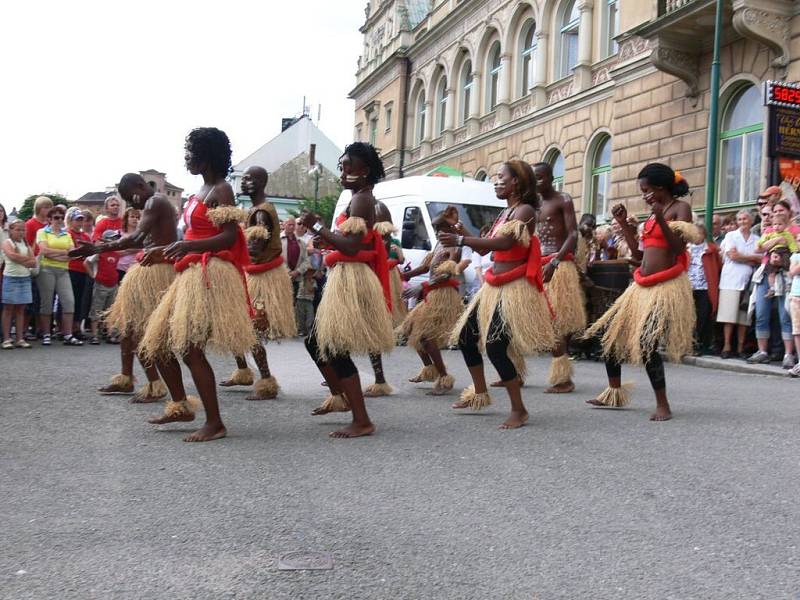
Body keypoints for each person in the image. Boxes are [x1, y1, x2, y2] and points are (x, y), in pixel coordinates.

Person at [139, 127, 256, 442]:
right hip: (189, 272)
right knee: (157, 343)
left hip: (209, 275)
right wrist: (161, 252)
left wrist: (188, 249)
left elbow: (231, 235)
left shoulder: (221, 190)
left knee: (190, 349)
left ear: (206, 156)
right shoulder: (197, 193)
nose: (186, 159)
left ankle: (215, 423)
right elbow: (189, 239)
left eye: (190, 153)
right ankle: (180, 405)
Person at [441, 160, 556, 429]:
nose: (496, 181)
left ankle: (519, 409)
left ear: (516, 181)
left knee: (494, 345)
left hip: (513, 289)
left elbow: (505, 243)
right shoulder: (506, 213)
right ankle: (480, 393)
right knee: (466, 336)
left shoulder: (525, 211)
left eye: (501, 177)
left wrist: (461, 241)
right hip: (494, 286)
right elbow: (486, 250)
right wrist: (460, 229)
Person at [585, 163, 699, 421]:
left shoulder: (681, 208)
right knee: (611, 334)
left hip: (665, 287)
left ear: (660, 187)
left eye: (646, 190)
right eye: (642, 191)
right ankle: (613, 392)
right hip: (641, 285)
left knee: (647, 342)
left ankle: (663, 404)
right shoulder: (652, 215)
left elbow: (678, 249)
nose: (644, 195)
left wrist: (660, 218)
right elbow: (638, 253)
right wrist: (623, 223)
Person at [298, 142, 395, 438]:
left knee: (334, 348)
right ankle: (341, 398)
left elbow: (352, 247)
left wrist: (318, 228)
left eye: (347, 167)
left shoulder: (363, 200)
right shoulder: (357, 198)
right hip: (346, 276)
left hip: (352, 279)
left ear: (364, 171)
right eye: (341, 167)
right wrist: (328, 237)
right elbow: (353, 242)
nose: (342, 172)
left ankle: (361, 419)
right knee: (316, 343)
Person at [69, 174, 181, 403]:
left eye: (131, 197)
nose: (132, 204)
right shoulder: (155, 204)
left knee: (141, 332)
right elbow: (143, 241)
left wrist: (98, 248)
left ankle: (156, 386)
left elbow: (137, 237)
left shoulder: (155, 201)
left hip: (156, 272)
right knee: (129, 330)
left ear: (140, 186)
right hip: (150, 269)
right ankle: (127, 378)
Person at [219, 165, 297, 400]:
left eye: (249, 179)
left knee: (251, 330)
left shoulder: (261, 212)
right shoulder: (254, 209)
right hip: (252, 274)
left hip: (263, 277)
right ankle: (243, 371)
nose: (244, 182)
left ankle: (266, 382)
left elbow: (255, 248)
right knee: (235, 325)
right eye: (242, 179)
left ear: (262, 183)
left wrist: (227, 246)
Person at [532, 162, 586, 393]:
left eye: (541, 178)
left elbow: (573, 234)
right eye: (534, 178)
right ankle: (513, 372)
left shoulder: (563, 199)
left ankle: (564, 379)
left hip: (559, 266)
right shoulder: (533, 205)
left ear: (551, 178)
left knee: (556, 322)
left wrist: (555, 261)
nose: (537, 182)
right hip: (540, 264)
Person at [398, 207, 465, 395]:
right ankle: (430, 369)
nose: (437, 233)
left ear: (449, 228)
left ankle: (444, 378)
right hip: (432, 293)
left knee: (427, 336)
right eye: (435, 229)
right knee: (411, 329)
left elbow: (447, 273)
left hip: (444, 296)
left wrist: (422, 286)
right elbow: (426, 267)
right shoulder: (438, 245)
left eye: (440, 229)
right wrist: (405, 275)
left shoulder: (455, 247)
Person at [748, 200, 797, 367]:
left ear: (789, 212)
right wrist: (776, 242)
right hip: (766, 272)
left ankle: (788, 354)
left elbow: (795, 248)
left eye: (780, 210)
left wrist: (784, 246)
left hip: (786, 273)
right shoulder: (769, 230)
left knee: (785, 315)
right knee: (761, 313)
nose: (775, 214)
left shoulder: (795, 230)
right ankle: (762, 351)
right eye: (774, 211)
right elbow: (758, 248)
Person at [36, 206, 82, 346]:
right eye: (56, 217)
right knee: (47, 303)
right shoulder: (42, 232)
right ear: (49, 219)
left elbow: (73, 253)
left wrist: (56, 254)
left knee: (69, 302)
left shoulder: (66, 234)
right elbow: (43, 250)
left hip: (63, 270)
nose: (59, 220)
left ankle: (67, 334)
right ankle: (46, 334)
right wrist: (63, 253)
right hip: (46, 269)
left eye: (61, 218)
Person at [717, 210, 761, 359]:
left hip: (748, 281)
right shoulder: (731, 236)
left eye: (745, 219)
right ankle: (727, 346)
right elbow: (732, 255)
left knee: (744, 317)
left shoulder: (756, 238)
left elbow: (762, 259)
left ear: (751, 221)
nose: (743, 222)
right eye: (740, 219)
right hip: (730, 279)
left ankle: (740, 347)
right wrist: (752, 258)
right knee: (728, 315)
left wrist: (747, 257)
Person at [687, 222, 721, 355]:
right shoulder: (686, 249)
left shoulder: (711, 249)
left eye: (700, 233)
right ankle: (688, 342)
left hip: (705, 286)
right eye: (694, 233)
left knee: (703, 315)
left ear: (704, 235)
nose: (697, 236)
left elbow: (717, 267)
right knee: (689, 316)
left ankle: (700, 343)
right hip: (689, 286)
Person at [2, 219, 36, 348]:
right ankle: (6, 338)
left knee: (21, 309)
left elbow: (34, 262)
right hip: (11, 277)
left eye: (23, 230)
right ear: (11, 230)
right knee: (8, 308)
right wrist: (27, 260)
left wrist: (23, 260)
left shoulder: (26, 244)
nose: (21, 232)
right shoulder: (7, 242)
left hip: (24, 278)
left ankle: (20, 338)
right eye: (18, 229)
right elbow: (11, 255)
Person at [88, 232, 121, 344]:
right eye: (112, 239)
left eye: (116, 239)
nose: (114, 241)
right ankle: (94, 335)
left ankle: (110, 333)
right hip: (101, 284)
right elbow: (87, 262)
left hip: (113, 284)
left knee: (110, 310)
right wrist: (93, 275)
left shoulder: (116, 253)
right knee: (97, 309)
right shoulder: (100, 252)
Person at [66, 207, 92, 339]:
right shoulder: (68, 234)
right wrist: (81, 252)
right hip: (72, 269)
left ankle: (77, 327)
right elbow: (71, 253)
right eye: (77, 220)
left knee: (81, 300)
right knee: (72, 299)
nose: (80, 223)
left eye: (82, 220)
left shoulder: (85, 236)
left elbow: (89, 252)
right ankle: (68, 328)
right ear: (71, 220)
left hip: (83, 269)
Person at [281, 217, 310, 301]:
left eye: (293, 225)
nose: (291, 227)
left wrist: (297, 272)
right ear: (284, 225)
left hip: (296, 279)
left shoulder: (301, 243)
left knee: (292, 303)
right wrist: (288, 272)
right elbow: (276, 258)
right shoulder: (278, 241)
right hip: (281, 277)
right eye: (289, 224)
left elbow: (306, 260)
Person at [116, 208, 141, 282]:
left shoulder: (141, 235)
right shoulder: (119, 234)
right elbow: (116, 253)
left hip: (135, 269)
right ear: (126, 219)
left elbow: (143, 249)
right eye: (132, 217)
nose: (135, 219)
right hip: (120, 269)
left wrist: (125, 249)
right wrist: (132, 250)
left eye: (137, 217)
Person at [789, 232, 800, 377]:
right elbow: (793, 271)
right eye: (798, 240)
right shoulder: (795, 256)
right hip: (796, 295)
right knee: (797, 330)